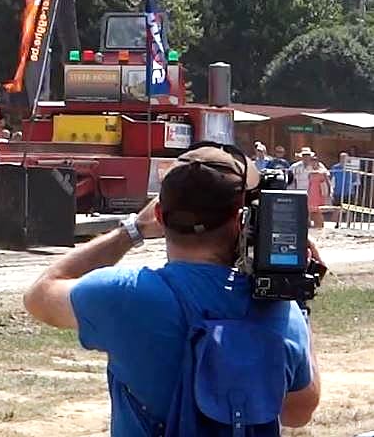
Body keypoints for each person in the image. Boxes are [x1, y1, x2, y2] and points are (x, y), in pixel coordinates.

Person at [23, 143, 320, 435]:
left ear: (161, 216)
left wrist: (132, 231)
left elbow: (39, 295)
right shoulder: (280, 312)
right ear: (241, 219)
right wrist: (296, 295)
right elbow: (298, 412)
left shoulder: (122, 295)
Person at [291, 147, 331, 228]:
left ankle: (319, 232)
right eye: (304, 155)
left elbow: (326, 176)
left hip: (314, 194)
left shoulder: (317, 165)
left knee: (316, 214)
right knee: (302, 215)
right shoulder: (295, 167)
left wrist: (328, 193)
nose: (306, 157)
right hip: (300, 193)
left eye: (308, 155)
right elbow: (291, 180)